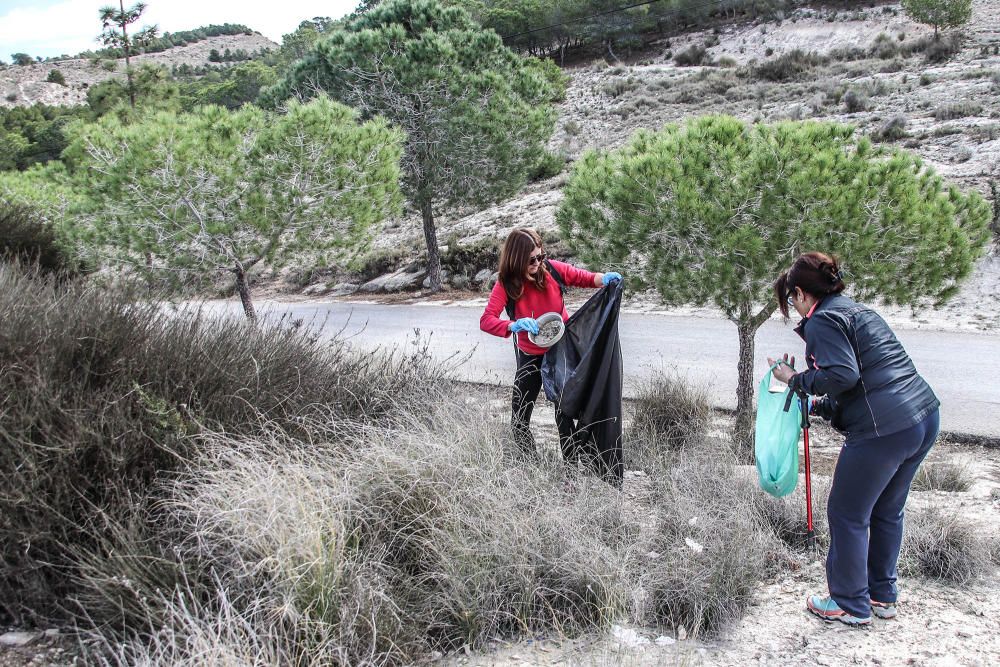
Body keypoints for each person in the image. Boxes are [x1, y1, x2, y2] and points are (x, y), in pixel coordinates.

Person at [768, 251, 940, 627]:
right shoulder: (857, 311)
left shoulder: (821, 321)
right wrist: (816, 405)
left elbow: (842, 375)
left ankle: (848, 602)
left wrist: (793, 380)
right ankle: (881, 596)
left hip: (884, 430)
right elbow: (861, 384)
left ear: (800, 293)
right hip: (922, 417)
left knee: (846, 513)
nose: (794, 310)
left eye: (791, 301)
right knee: (886, 509)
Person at [480, 227, 621, 461]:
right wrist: (513, 325)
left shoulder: (551, 270)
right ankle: (530, 464)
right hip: (530, 356)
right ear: (516, 260)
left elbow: (581, 277)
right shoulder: (506, 284)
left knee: (564, 415)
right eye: (531, 260)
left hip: (560, 351)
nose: (538, 262)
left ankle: (571, 471)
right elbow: (486, 320)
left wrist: (604, 278)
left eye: (540, 256)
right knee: (519, 418)